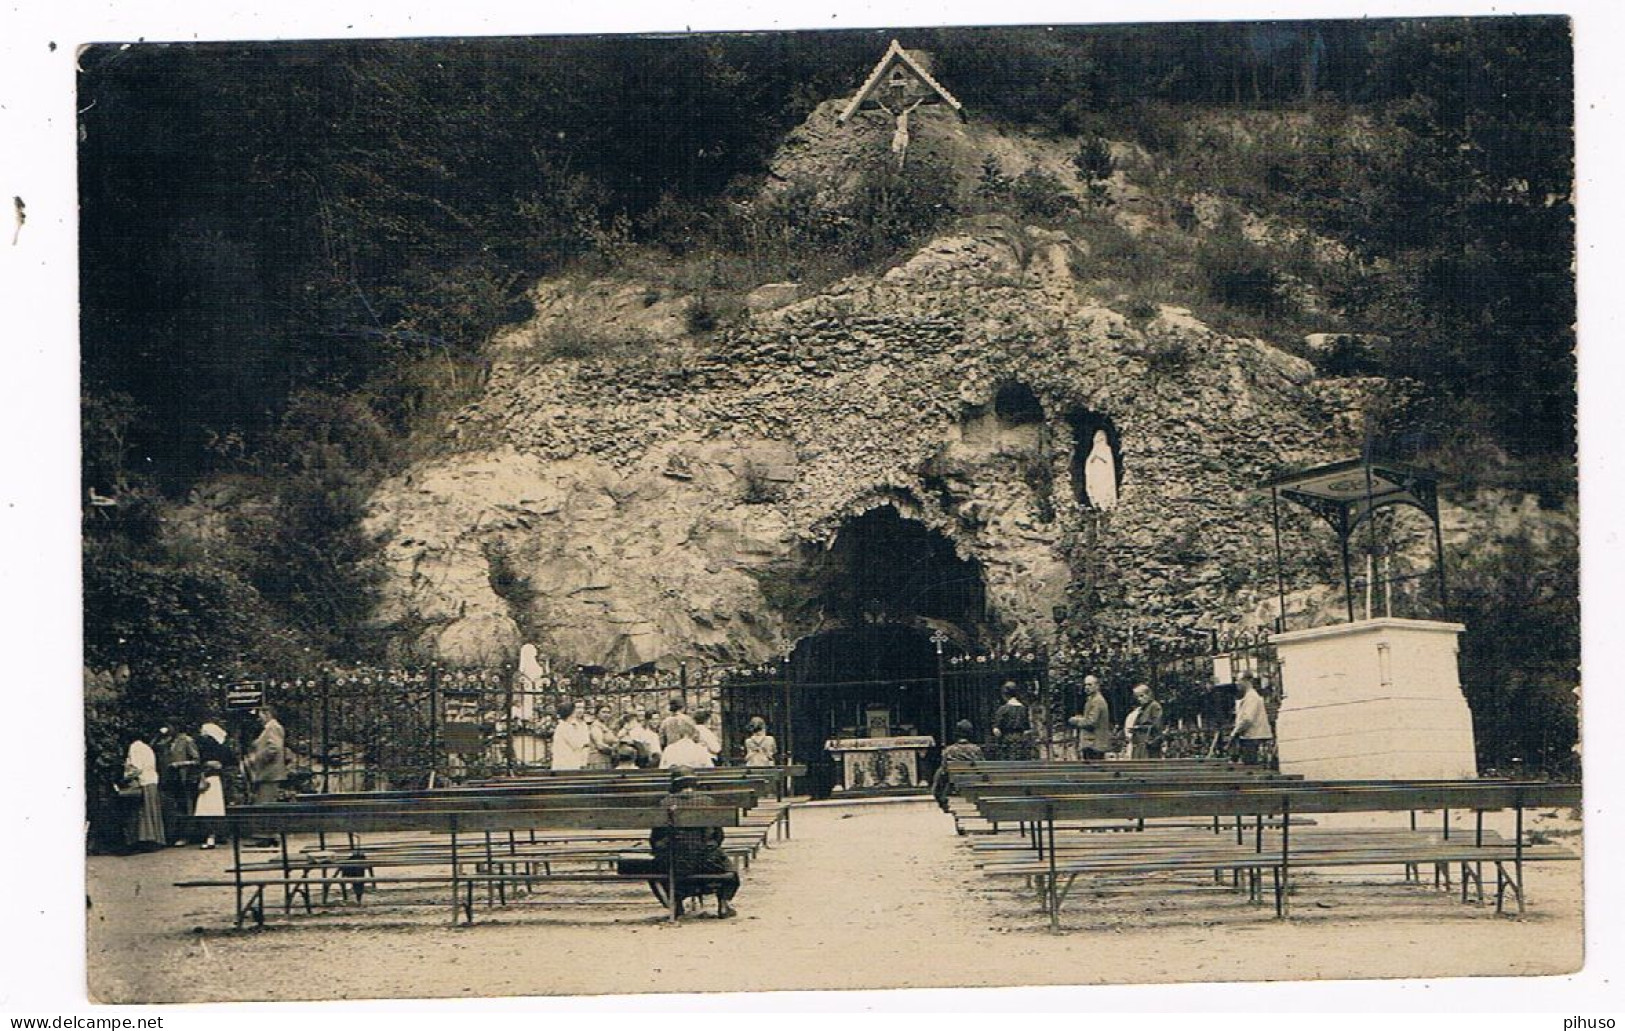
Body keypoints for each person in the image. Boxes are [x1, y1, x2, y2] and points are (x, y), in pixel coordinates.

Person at [651, 766, 740, 918]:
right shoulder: (707, 801)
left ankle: (675, 903)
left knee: (653, 870)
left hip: (674, 862)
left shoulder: (665, 803)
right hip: (707, 860)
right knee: (730, 871)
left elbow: (656, 838)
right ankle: (724, 902)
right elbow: (718, 835)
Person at [120, 735, 165, 851]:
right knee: (152, 810)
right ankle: (156, 838)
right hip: (152, 780)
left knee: (144, 811)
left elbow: (137, 768)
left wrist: (125, 777)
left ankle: (146, 840)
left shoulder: (135, 747)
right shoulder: (147, 748)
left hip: (143, 781)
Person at [194, 722, 234, 849]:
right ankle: (215, 835)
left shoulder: (208, 747)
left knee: (209, 808)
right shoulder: (222, 748)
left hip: (211, 779)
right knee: (213, 808)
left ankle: (211, 836)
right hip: (214, 779)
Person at [162, 722, 200, 845]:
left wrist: (180, 764)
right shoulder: (167, 741)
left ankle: (185, 836)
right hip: (171, 778)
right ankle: (173, 835)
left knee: (185, 807)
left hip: (183, 777)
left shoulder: (187, 740)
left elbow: (196, 760)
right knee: (173, 807)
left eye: (170, 727)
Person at [932, 720, 984, 809]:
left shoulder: (949, 750)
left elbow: (944, 768)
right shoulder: (976, 750)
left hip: (954, 780)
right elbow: (982, 765)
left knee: (939, 774)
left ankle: (942, 800)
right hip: (973, 779)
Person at [243, 706, 287, 805]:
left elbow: (274, 748)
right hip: (267, 774)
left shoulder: (273, 727)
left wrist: (256, 758)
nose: (259, 718)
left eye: (260, 715)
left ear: (267, 714)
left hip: (269, 773)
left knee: (265, 804)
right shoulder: (270, 727)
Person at [1228, 672, 1275, 766]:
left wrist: (1235, 732)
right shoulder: (1249, 697)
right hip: (1251, 736)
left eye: (1238, 680)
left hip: (1252, 738)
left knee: (1251, 765)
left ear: (1247, 681)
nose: (1237, 683)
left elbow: (1247, 719)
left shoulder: (1252, 698)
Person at [1068, 675, 1112, 760]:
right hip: (1092, 744)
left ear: (1097, 686)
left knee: (1093, 770)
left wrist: (1076, 721)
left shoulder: (1097, 701)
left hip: (1093, 744)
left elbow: (1091, 722)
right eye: (1085, 685)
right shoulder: (1092, 700)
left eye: (1090, 685)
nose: (1086, 687)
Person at [990, 682, 1037, 761]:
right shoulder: (1023, 708)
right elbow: (1027, 729)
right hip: (1021, 740)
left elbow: (996, 731)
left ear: (1004, 694)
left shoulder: (1003, 709)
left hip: (1007, 740)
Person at [1125, 683, 1166, 759]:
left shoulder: (1154, 706)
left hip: (1147, 743)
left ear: (1149, 694)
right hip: (1140, 742)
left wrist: (1139, 727)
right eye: (1137, 697)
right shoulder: (1143, 708)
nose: (1139, 699)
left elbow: (1156, 725)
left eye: (1142, 696)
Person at [549, 700, 592, 771]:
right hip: (565, 762)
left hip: (571, 761)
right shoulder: (565, 726)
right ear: (571, 713)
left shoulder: (568, 725)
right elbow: (577, 744)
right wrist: (584, 743)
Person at [584, 704, 618, 770]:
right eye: (603, 712)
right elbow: (600, 745)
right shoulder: (596, 726)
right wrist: (615, 751)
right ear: (597, 713)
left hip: (606, 759)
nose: (606, 715)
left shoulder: (604, 726)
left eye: (608, 712)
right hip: (598, 761)